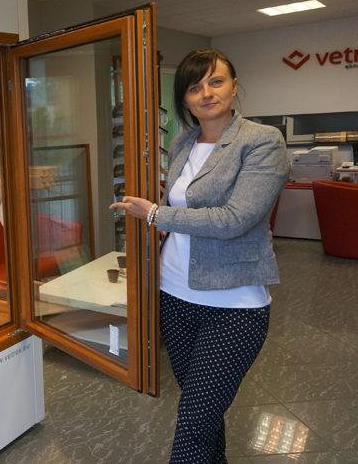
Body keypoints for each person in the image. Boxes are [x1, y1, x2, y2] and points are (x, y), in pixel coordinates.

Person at [109, 49, 290, 463]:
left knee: (193, 422)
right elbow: (183, 206)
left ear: (234, 86)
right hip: (174, 295)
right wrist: (157, 220)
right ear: (185, 100)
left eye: (216, 82)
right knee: (205, 415)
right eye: (194, 88)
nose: (206, 93)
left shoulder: (262, 141)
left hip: (233, 305)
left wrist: (154, 214)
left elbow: (235, 219)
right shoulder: (182, 142)